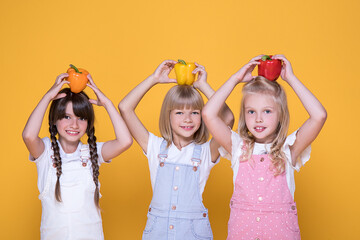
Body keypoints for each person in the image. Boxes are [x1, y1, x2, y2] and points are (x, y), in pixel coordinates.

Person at [202, 55, 327, 240]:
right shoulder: (238, 148)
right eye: (251, 111)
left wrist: (290, 78)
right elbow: (208, 113)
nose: (258, 118)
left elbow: (319, 116)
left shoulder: (288, 149)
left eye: (267, 111)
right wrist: (236, 79)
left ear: (280, 115)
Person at [118, 60, 234, 240]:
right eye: (179, 112)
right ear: (168, 115)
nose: (187, 119)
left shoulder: (205, 153)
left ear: (203, 117)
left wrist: (203, 85)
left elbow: (227, 118)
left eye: (195, 112)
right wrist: (154, 79)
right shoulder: (155, 147)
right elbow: (125, 108)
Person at [22, 73, 132, 240]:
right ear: (54, 120)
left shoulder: (92, 152)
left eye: (81, 118)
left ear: (88, 123)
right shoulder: (45, 153)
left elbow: (125, 141)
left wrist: (107, 104)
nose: (74, 124)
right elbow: (29, 135)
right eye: (67, 117)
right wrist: (48, 97)